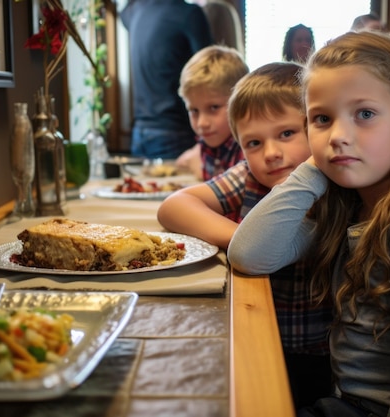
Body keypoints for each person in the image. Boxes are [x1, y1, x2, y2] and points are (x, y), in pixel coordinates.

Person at [228, 31, 390, 416]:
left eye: (365, 114)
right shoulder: (349, 202)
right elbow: (249, 253)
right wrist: (314, 167)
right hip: (353, 404)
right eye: (321, 119)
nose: (338, 136)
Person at [159, 62, 333, 409]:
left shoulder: (336, 181)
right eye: (254, 143)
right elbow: (173, 207)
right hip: (256, 334)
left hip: (322, 349)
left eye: (286, 134)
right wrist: (246, 236)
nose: (270, 153)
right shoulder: (250, 178)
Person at [120, 0, 213, 159]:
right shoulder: (189, 14)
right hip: (174, 131)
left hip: (139, 132)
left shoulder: (135, 11)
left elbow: (123, 12)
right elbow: (211, 70)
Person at [175, 45, 249, 181]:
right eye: (194, 110)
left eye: (214, 107)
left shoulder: (248, 149)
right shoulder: (206, 143)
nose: (202, 123)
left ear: (240, 102)